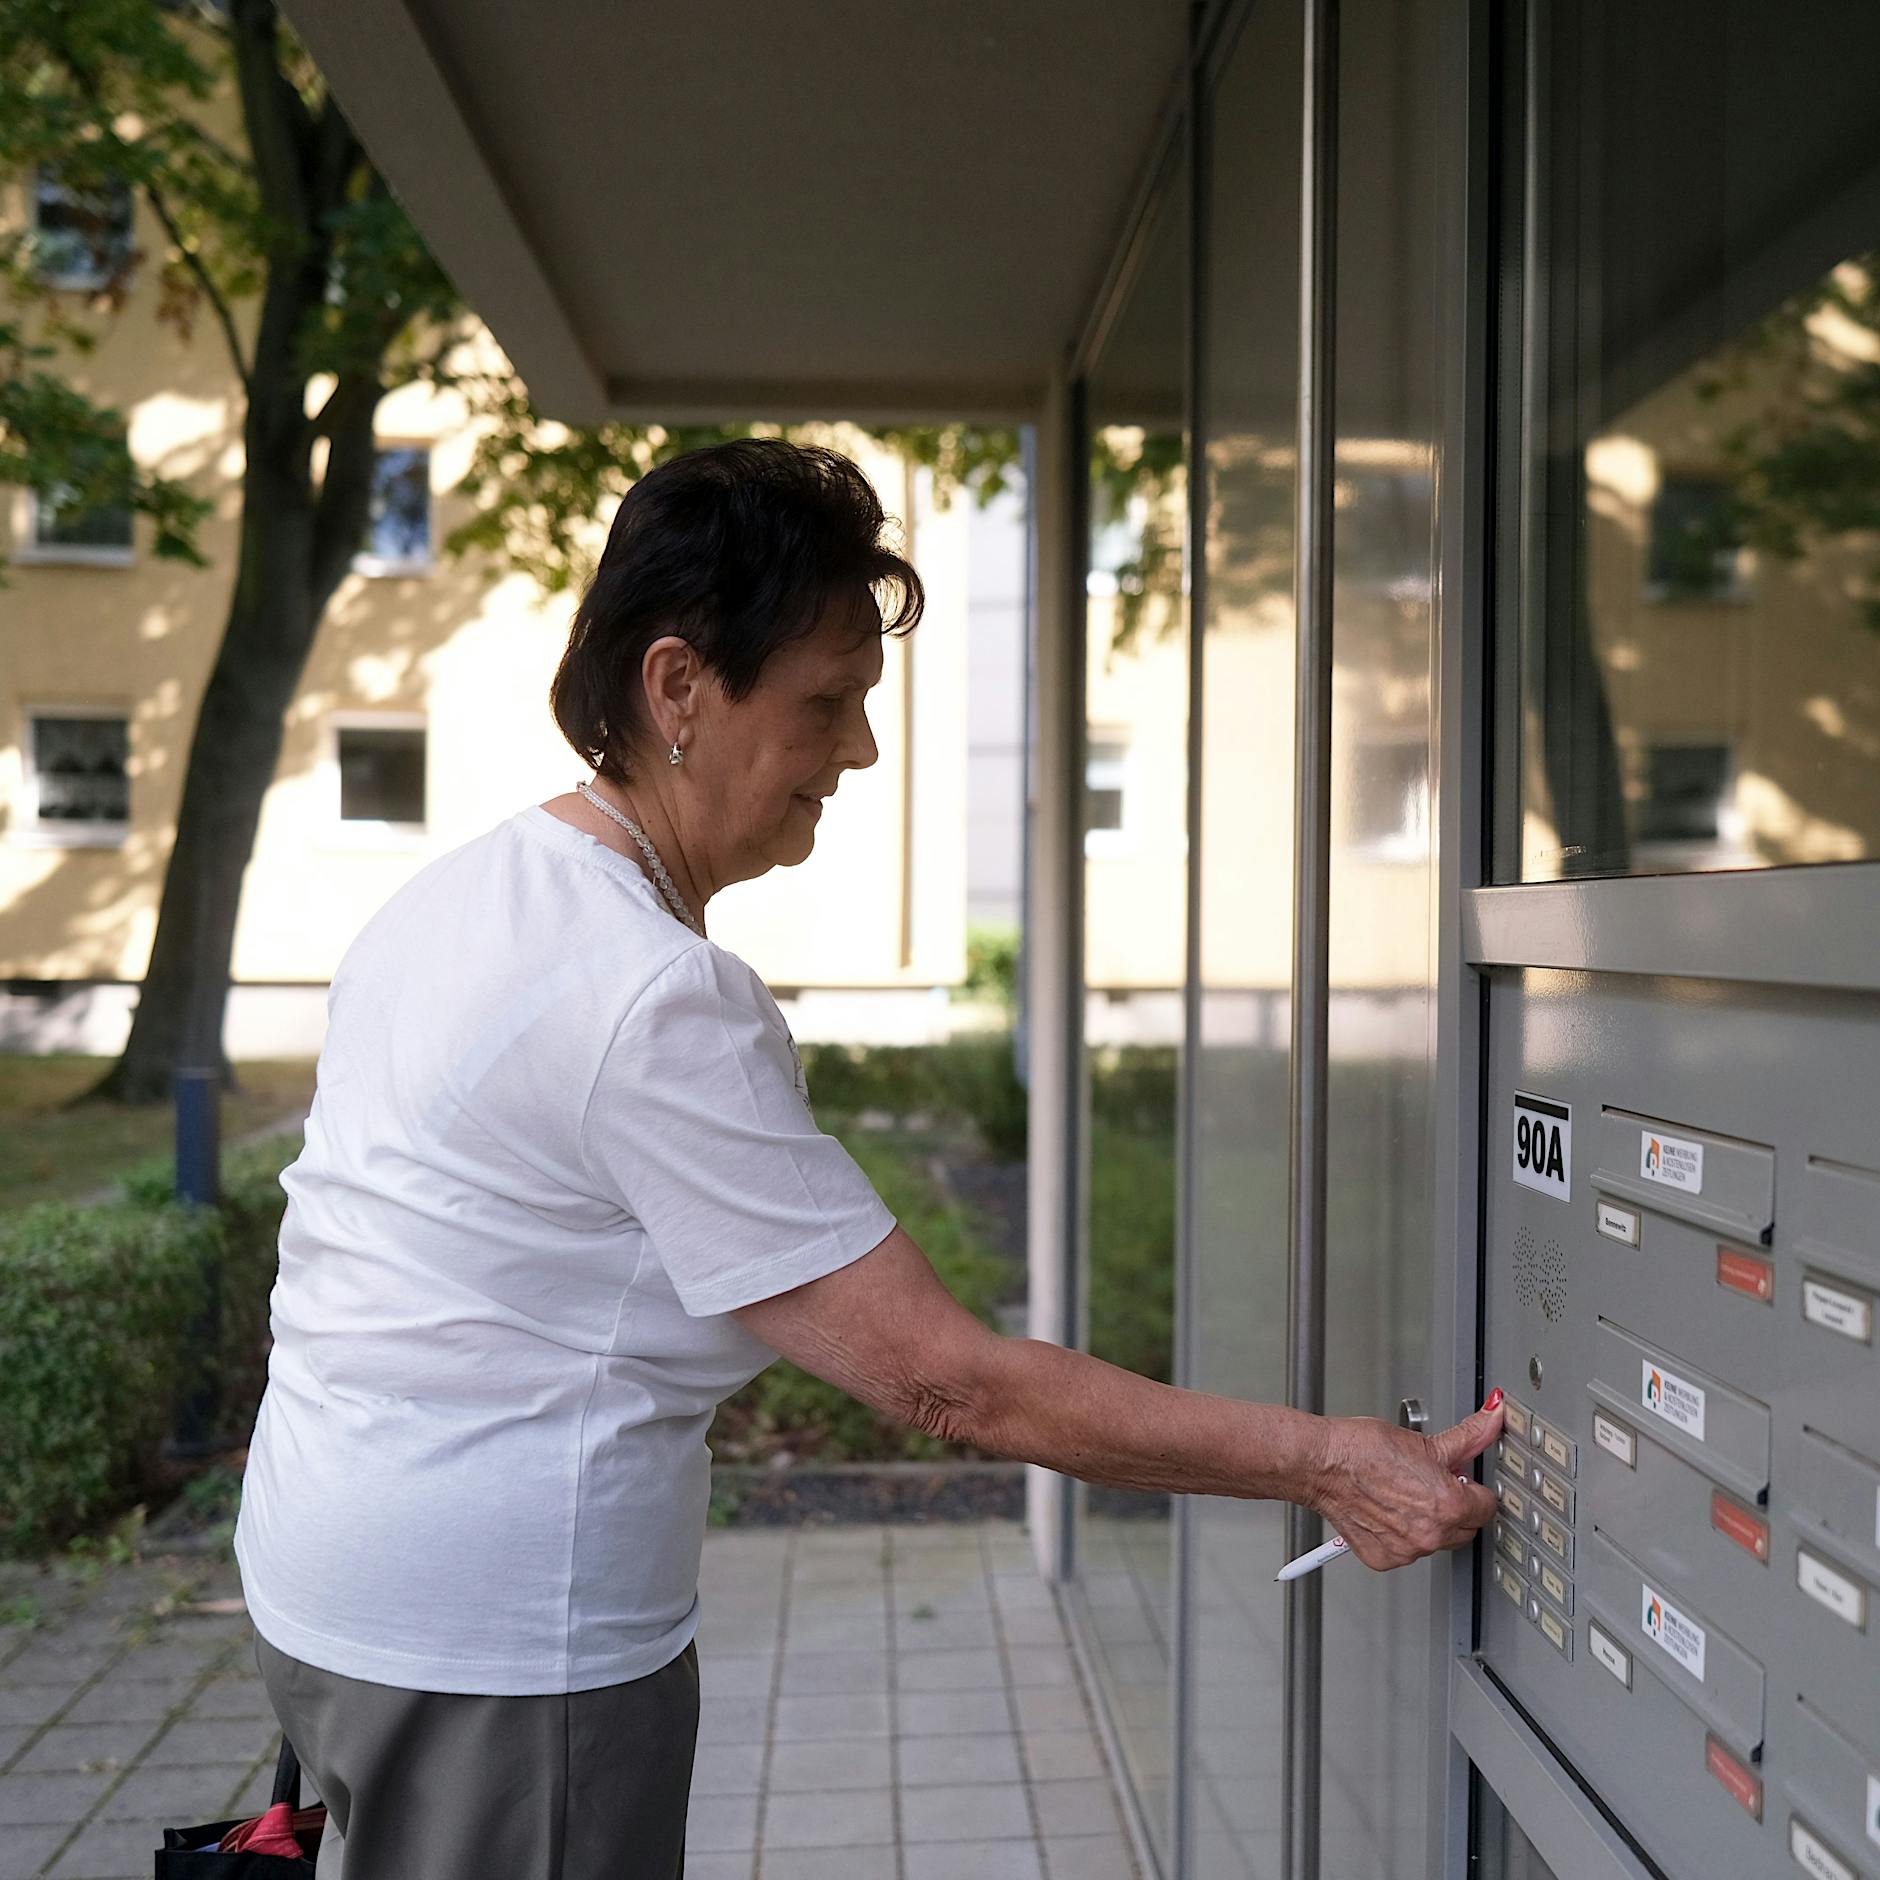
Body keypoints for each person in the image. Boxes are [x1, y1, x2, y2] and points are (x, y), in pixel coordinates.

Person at [236, 438, 1502, 1879]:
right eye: (826, 704)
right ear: (676, 690)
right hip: (498, 1649)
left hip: (328, 1581)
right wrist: (1335, 1464)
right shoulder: (644, 992)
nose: (861, 752)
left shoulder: (462, 893)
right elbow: (942, 1381)